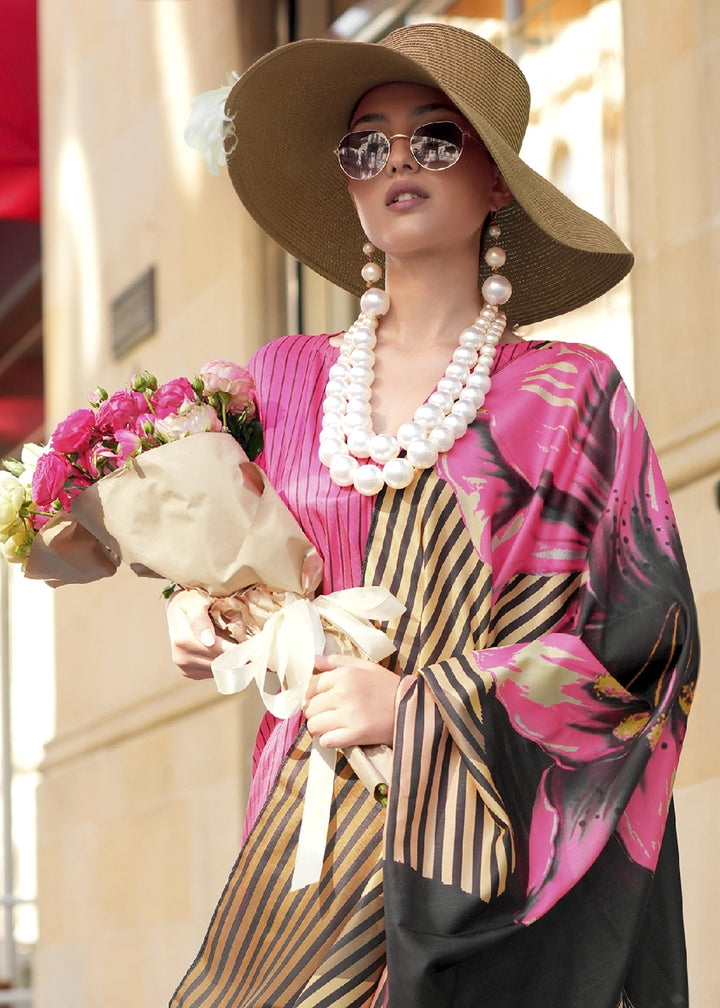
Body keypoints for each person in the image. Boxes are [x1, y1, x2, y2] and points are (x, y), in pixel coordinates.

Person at [167, 22, 698, 1008]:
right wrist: (200, 613)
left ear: (498, 181)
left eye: (436, 137)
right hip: (309, 828)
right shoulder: (286, 379)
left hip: (484, 853)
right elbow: (237, 564)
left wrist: (421, 705)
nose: (397, 160)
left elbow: (644, 647)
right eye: (366, 145)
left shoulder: (571, 393)